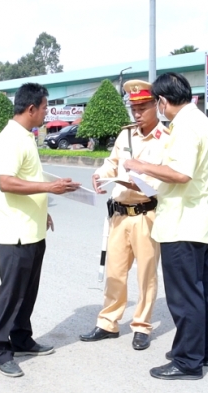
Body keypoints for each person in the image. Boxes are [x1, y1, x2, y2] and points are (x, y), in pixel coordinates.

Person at [123, 72, 208, 381]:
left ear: (162, 101)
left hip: (182, 221)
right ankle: (201, 350)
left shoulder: (186, 127)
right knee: (200, 291)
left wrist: (139, 165)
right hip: (200, 218)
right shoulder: (203, 121)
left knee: (184, 296)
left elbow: (180, 173)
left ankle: (188, 361)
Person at [0, 82, 81, 378]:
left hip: (32, 228)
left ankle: (21, 338)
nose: (46, 112)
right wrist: (49, 187)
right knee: (12, 293)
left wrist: (43, 212)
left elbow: (27, 177)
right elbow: (7, 182)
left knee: (28, 292)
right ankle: (0, 349)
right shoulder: (10, 139)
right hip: (15, 232)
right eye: (44, 107)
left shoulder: (25, 136)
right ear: (31, 109)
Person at [79, 79, 169, 351]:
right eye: (133, 108)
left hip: (146, 214)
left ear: (156, 105)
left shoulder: (167, 140)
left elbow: (164, 179)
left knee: (146, 275)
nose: (137, 113)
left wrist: (137, 182)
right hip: (119, 214)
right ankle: (108, 322)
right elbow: (111, 164)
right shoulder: (125, 135)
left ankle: (142, 325)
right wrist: (99, 175)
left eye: (143, 107)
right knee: (115, 272)